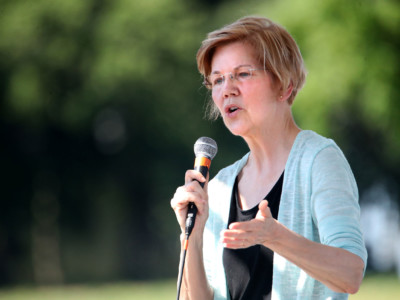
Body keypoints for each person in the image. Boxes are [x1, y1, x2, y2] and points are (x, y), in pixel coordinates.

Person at [170, 16, 367, 300]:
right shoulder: (220, 186)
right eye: (218, 79)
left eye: (243, 74)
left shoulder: (319, 160)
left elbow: (350, 274)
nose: (227, 89)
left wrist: (275, 236)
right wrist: (193, 236)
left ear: (284, 85)